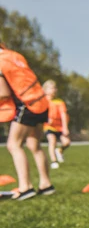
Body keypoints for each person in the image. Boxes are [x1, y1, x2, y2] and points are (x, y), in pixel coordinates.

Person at [0, 38, 53, 200]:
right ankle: (46, 185)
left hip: (27, 104)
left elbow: (3, 93)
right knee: (34, 145)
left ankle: (26, 187)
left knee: (13, 145)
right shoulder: (14, 56)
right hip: (41, 101)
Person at [42, 80, 71, 168]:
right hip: (48, 126)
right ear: (45, 90)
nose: (54, 90)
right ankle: (54, 161)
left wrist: (65, 127)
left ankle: (59, 151)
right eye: (51, 88)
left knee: (66, 142)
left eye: (55, 88)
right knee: (52, 140)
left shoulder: (60, 102)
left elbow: (63, 114)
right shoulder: (43, 101)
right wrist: (46, 120)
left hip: (60, 127)